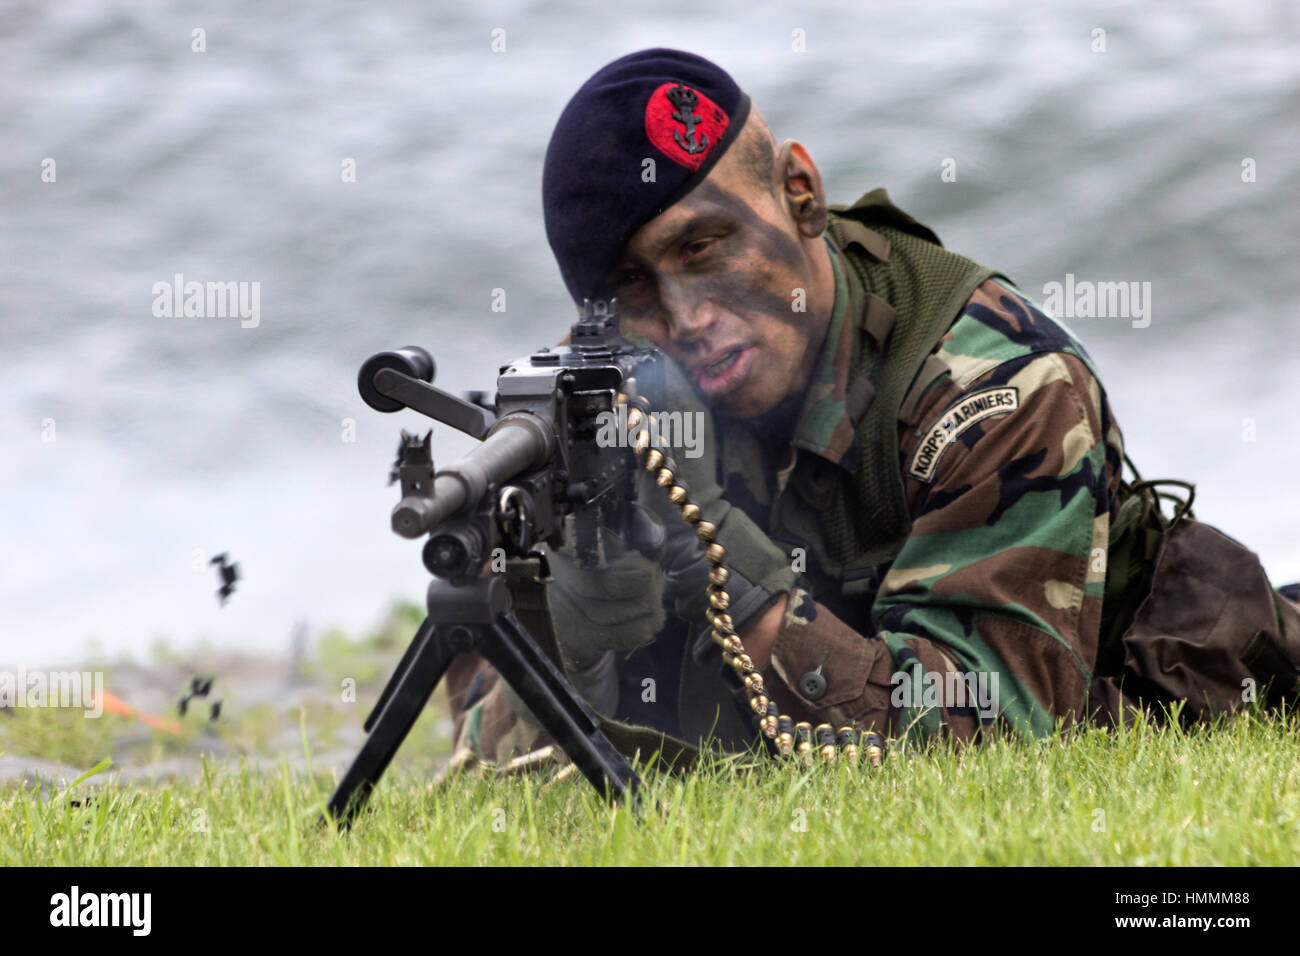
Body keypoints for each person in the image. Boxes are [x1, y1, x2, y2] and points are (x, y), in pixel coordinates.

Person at [443, 48, 1300, 769]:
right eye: (633, 285)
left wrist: (718, 562)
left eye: (703, 248)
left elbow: (990, 742)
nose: (687, 319)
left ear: (800, 194)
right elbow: (485, 749)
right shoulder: (610, 392)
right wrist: (578, 642)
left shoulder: (995, 386)